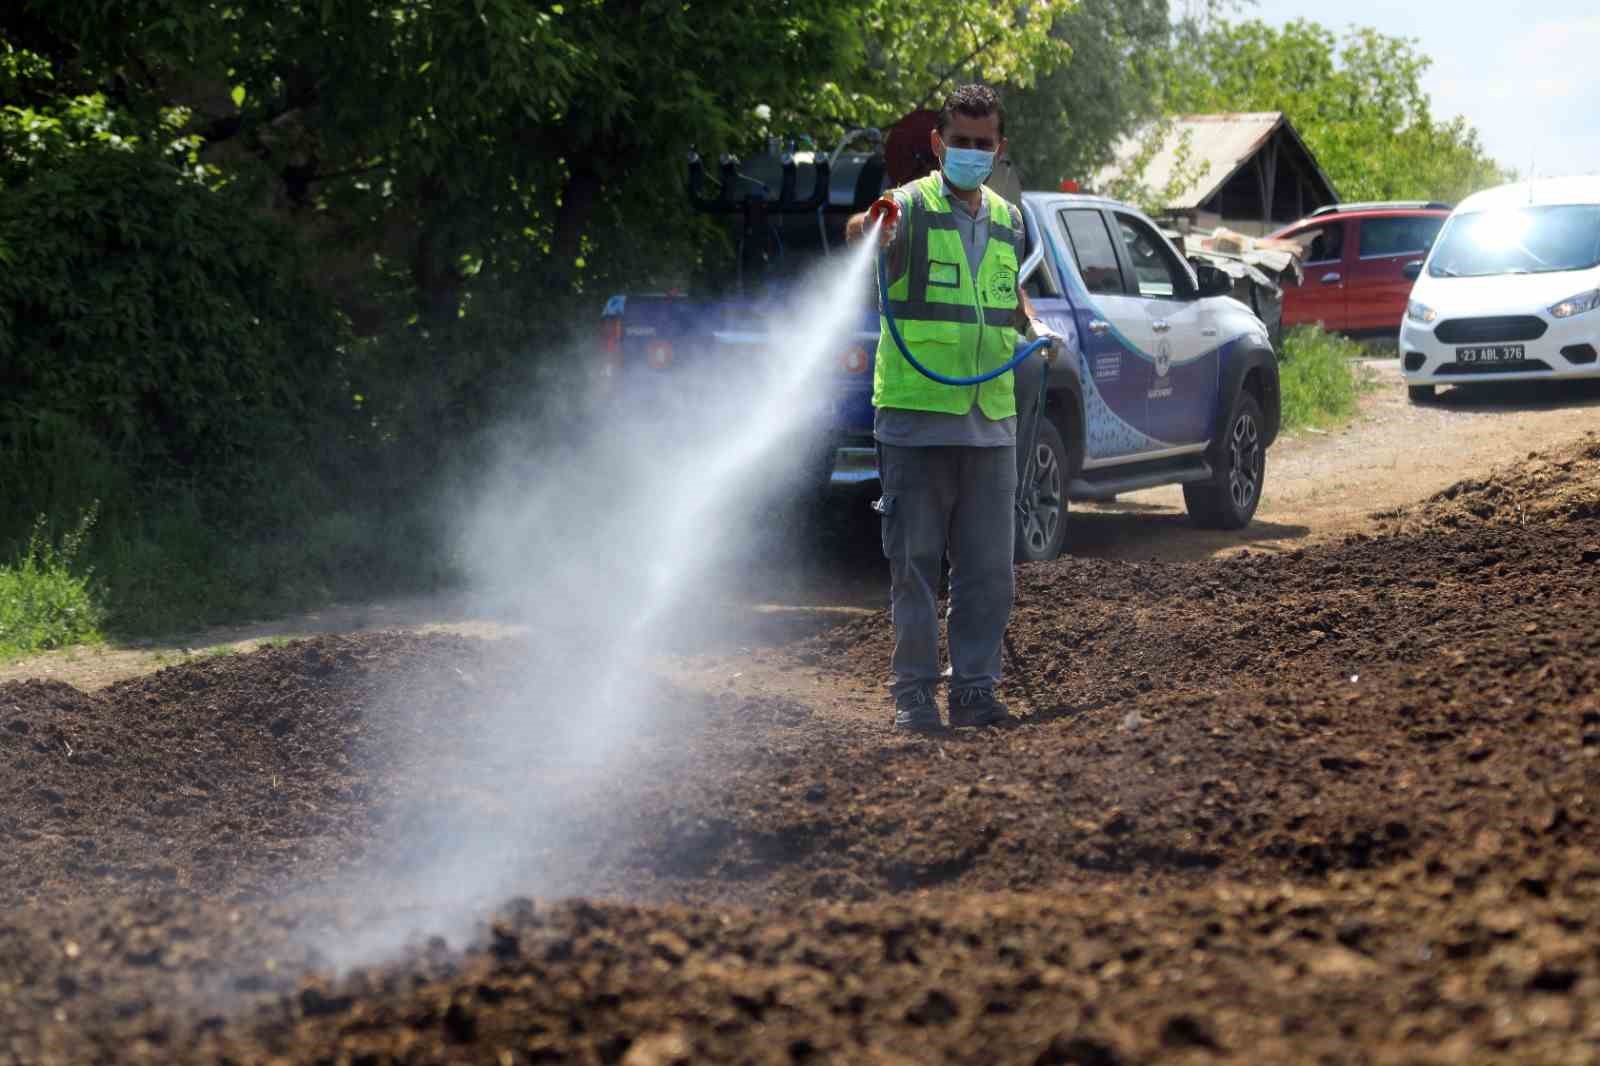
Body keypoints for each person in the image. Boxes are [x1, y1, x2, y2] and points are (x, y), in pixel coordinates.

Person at [845, 84, 1061, 733]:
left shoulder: (1007, 218)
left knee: (989, 573)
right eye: (959, 142)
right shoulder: (906, 208)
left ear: (999, 148)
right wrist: (870, 224)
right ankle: (913, 695)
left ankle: (975, 692)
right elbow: (859, 233)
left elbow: (1007, 296)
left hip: (990, 421)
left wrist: (1034, 328)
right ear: (938, 145)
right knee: (913, 570)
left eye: (982, 143)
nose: (971, 152)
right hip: (916, 419)